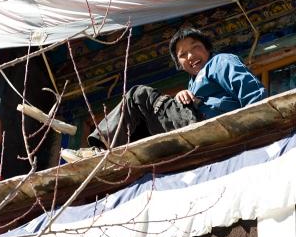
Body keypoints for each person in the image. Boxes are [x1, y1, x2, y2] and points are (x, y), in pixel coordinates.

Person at [84, 27, 267, 151]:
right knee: (140, 121)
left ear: (208, 49)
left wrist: (259, 126)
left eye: (195, 47)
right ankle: (116, 154)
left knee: (137, 95)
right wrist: (182, 97)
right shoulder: (193, 82)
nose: (191, 55)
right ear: (179, 64)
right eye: (183, 55)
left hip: (207, 119)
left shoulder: (220, 61)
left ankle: (100, 148)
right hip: (193, 125)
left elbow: (251, 90)